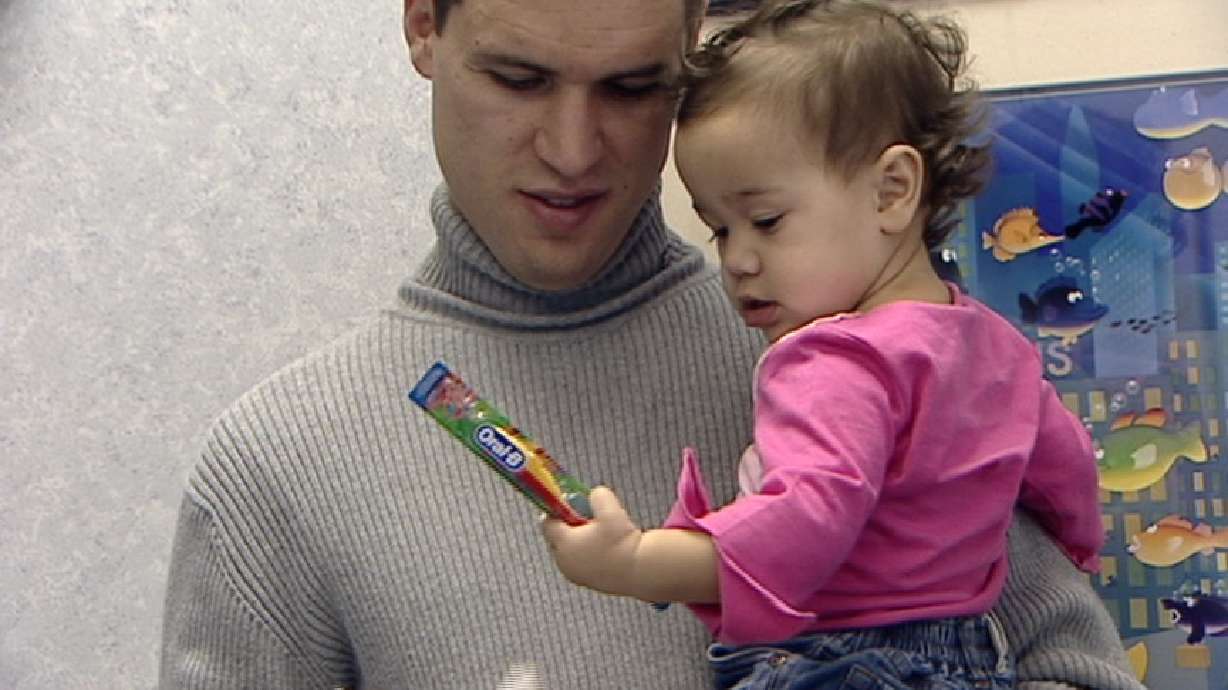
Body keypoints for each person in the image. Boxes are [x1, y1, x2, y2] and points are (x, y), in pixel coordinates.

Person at [158, 0, 1142, 688]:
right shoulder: (275, 467)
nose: (574, 150)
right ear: (422, 23)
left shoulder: (853, 351)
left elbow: (1073, 657)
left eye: (634, 88)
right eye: (518, 77)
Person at [540, 2, 1127, 689]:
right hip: (976, 654)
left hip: (842, 662)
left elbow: (807, 519)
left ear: (892, 191)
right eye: (720, 230)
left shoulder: (831, 362)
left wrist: (640, 562)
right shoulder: (995, 345)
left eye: (765, 220)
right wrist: (1081, 546)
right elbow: (1065, 469)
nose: (738, 260)